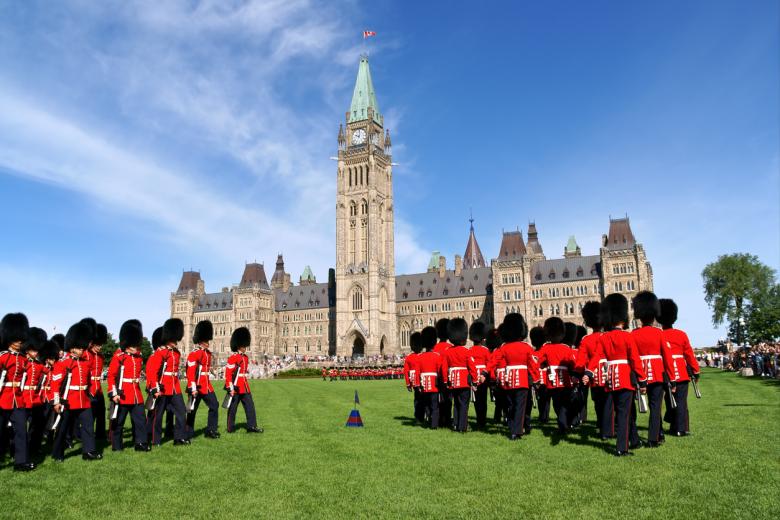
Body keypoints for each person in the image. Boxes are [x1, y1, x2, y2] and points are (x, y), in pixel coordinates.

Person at [585, 294, 647, 456]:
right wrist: (642, 380)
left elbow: (597, 356)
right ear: (622, 317)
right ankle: (621, 447)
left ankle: (634, 440)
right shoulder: (627, 336)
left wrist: (589, 372)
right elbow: (635, 360)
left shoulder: (604, 338)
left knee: (625, 410)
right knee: (624, 413)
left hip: (611, 379)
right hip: (625, 378)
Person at [51, 321, 103, 462]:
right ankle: (58, 453)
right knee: (62, 428)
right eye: (78, 348)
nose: (81, 351)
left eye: (82, 348)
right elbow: (55, 384)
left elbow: (90, 380)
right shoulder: (63, 363)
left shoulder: (85, 363)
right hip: (68, 401)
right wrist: (56, 402)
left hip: (83, 399)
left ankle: (89, 451)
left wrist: (91, 392)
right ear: (72, 347)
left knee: (88, 426)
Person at [632, 291, 676, 447]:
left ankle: (655, 434)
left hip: (640, 374)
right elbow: (668, 358)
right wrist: (672, 378)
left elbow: (633, 357)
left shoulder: (634, 334)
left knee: (645, 406)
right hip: (657, 374)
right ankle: (653, 438)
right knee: (655, 406)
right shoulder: (659, 333)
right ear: (653, 315)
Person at [490, 313, 540, 440]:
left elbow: (494, 361)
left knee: (511, 406)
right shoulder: (526, 347)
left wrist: (486, 372)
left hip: (508, 381)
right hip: (522, 380)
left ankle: (513, 428)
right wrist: (536, 379)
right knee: (520, 406)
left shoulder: (504, 347)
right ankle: (516, 432)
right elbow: (533, 365)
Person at [0, 312, 36, 471]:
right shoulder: (2, 357)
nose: (19, 341)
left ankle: (21, 461)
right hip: (3, 397)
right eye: (15, 338)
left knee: (21, 429)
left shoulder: (23, 359)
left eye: (20, 338)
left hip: (18, 399)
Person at [659, 298, 700, 437]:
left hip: (665, 371)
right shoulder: (681, 334)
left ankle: (673, 425)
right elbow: (689, 355)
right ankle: (680, 428)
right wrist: (695, 370)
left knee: (669, 399)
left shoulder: (659, 335)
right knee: (681, 400)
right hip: (681, 372)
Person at [108, 320, 150, 452]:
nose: (136, 347)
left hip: (136, 393)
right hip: (122, 393)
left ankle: (140, 443)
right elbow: (111, 376)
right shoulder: (119, 357)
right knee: (119, 421)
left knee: (140, 420)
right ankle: (117, 445)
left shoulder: (138, 357)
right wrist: (113, 393)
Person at [146, 318, 189, 446]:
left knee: (181, 412)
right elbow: (153, 371)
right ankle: (155, 440)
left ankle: (179, 437)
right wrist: (154, 388)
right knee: (157, 416)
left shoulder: (176, 353)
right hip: (162, 386)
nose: (176, 341)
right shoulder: (161, 353)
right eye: (174, 339)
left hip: (175, 387)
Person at [538, 318, 577, 434]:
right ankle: (565, 424)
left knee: (557, 404)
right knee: (565, 403)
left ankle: (563, 425)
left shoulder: (545, 348)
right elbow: (572, 364)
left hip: (553, 381)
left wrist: (544, 364)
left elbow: (539, 361)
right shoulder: (566, 348)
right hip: (565, 381)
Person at [224, 327, 263, 433]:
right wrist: (230, 387)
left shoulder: (245, 357)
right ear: (238, 345)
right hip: (235, 386)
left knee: (250, 406)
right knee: (233, 408)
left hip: (244, 386)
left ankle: (252, 426)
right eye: (243, 345)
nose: (245, 347)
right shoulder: (233, 357)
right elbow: (228, 374)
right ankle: (230, 428)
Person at [186, 320, 220, 440]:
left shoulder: (208, 354)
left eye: (208, 340)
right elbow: (190, 372)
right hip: (197, 385)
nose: (208, 343)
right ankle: (188, 433)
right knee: (192, 410)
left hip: (206, 385)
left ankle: (211, 430)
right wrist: (193, 387)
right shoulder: (194, 354)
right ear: (201, 341)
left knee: (214, 405)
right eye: (206, 341)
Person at [442, 318, 471, 433]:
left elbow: (444, 368)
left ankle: (455, 424)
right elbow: (472, 367)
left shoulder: (448, 351)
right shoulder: (466, 351)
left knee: (456, 404)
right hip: (464, 381)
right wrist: (475, 380)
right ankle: (462, 427)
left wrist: (445, 381)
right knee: (464, 404)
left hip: (453, 381)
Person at [22, 327, 47, 457]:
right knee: (20, 427)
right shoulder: (22, 362)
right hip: (23, 397)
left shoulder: (38, 365)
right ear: (27, 349)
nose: (36, 352)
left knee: (37, 425)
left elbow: (50, 373)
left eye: (37, 349)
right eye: (33, 349)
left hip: (36, 398)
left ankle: (34, 447)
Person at [84, 322, 108, 442]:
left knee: (101, 413)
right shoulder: (86, 355)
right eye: (98, 344)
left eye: (101, 344)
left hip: (98, 388)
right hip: (89, 388)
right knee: (90, 415)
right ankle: (86, 435)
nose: (100, 347)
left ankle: (100, 435)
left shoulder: (100, 356)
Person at [415, 327, 442, 429]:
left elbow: (417, 372)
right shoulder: (437, 356)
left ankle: (429, 421)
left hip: (424, 384)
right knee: (434, 405)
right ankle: (434, 424)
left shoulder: (420, 357)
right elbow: (440, 371)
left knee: (426, 404)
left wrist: (418, 385)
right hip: (434, 384)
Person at [467, 321, 490, 429]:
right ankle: (482, 421)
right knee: (483, 400)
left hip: (473, 377)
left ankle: (478, 420)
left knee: (476, 401)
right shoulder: (486, 350)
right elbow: (489, 364)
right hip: (483, 377)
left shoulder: (469, 350)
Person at [433, 318, 452, 428]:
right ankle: (447, 420)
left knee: (438, 400)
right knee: (448, 400)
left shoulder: (435, 348)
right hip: (448, 377)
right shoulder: (450, 348)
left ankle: (439, 419)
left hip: (437, 378)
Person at [528, 326, 550, 424]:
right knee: (542, 399)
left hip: (544, 377)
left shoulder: (540, 350)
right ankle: (543, 416)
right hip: (540, 378)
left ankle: (544, 416)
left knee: (544, 398)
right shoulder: (536, 351)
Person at [403, 332, 424, 423]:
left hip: (414, 381)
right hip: (424, 380)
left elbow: (406, 371)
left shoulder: (409, 358)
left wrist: (408, 384)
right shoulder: (423, 356)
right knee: (425, 399)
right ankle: (425, 416)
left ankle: (418, 417)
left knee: (417, 399)